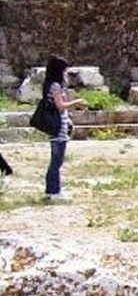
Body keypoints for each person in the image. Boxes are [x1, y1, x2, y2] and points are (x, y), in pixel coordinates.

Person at [42, 56, 88, 201]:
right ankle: (54, 191)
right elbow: (60, 105)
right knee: (56, 161)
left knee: (56, 160)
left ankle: (52, 190)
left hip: (58, 124)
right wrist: (77, 102)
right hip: (57, 126)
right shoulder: (55, 86)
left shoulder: (52, 84)